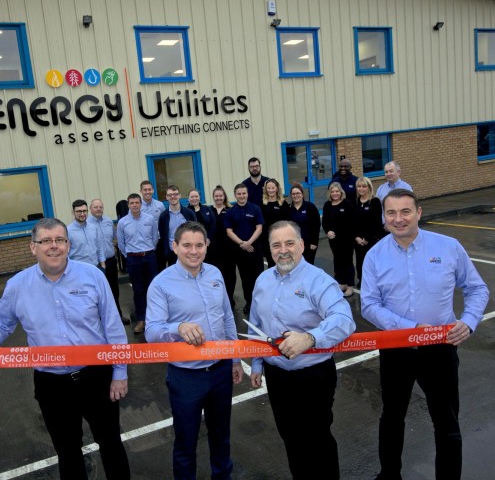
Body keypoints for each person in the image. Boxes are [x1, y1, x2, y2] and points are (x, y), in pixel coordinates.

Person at [0, 218, 130, 480]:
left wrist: (120, 373)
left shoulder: (93, 276)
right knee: (68, 452)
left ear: (68, 244)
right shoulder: (18, 286)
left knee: (111, 443)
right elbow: (0, 322)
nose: (53, 246)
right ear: (33, 247)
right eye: (45, 241)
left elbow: (113, 328)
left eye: (59, 240)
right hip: (52, 384)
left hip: (97, 377)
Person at [361, 189, 489, 480]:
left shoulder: (448, 247)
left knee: (446, 422)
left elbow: (477, 288)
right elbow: (368, 304)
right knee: (392, 417)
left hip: (440, 350)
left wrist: (468, 321)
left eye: (405, 211)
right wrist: (409, 331)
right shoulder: (374, 256)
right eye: (391, 213)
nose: (399, 219)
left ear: (419, 212)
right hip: (396, 349)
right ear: (384, 217)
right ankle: (389, 474)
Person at [249, 220, 356, 479]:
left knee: (317, 440)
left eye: (289, 243)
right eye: (276, 245)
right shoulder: (263, 280)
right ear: (270, 249)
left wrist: (310, 337)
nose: (283, 250)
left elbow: (344, 319)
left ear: (300, 244)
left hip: (313, 376)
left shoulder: (318, 280)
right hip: (277, 376)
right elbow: (255, 325)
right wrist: (257, 363)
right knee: (291, 438)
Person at [146, 221, 244, 480]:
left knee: (221, 436)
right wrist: (178, 327)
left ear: (207, 246)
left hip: (221, 370)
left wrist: (235, 359)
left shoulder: (215, 274)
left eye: (199, 245)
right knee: (186, 442)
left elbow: (227, 317)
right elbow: (152, 332)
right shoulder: (160, 284)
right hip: (186, 376)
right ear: (174, 246)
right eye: (187, 245)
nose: (193, 251)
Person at [117, 193, 159, 334]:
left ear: (141, 204)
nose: (134, 205)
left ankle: (154, 319)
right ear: (128, 205)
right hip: (133, 260)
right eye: (132, 203)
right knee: (138, 290)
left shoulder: (150, 219)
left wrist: (148, 251)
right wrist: (130, 256)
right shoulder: (122, 222)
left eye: (137, 202)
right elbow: (121, 244)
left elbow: (155, 237)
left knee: (152, 289)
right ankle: (141, 319)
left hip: (149, 257)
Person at [89, 198, 130, 325]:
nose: (98, 209)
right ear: (91, 209)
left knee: (114, 290)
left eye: (100, 206)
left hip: (111, 261)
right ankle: (101, 320)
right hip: (97, 264)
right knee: (99, 293)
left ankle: (118, 316)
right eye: (95, 207)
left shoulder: (108, 221)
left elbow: (113, 238)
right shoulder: (88, 224)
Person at [225, 184, 264, 315]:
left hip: (255, 250)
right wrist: (242, 243)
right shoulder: (231, 211)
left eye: (244, 193)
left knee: (258, 278)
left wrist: (249, 242)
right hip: (240, 251)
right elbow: (229, 231)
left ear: (247, 194)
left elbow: (259, 228)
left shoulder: (255, 209)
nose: (241, 196)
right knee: (245, 279)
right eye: (239, 194)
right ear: (235, 195)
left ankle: (260, 304)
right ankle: (249, 303)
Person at [322, 182, 356, 297]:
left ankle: (350, 285)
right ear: (330, 193)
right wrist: (328, 232)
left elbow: (352, 222)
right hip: (333, 240)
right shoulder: (327, 205)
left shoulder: (347, 204)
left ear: (341, 192)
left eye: (337, 191)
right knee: (337, 260)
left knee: (347, 261)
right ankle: (341, 283)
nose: (335, 193)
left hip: (346, 239)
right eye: (332, 191)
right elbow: (325, 222)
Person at [206, 185, 236, 310]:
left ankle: (229, 300)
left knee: (229, 276)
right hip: (212, 250)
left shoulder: (231, 209)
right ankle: (216, 301)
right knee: (213, 276)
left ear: (224, 196)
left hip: (228, 249)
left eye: (220, 195)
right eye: (216, 196)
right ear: (213, 197)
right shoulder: (207, 210)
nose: (218, 198)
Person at [352, 177, 383, 288]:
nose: (361, 189)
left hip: (371, 240)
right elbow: (353, 222)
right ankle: (361, 280)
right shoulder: (355, 202)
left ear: (369, 187)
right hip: (358, 240)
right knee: (360, 262)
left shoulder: (375, 202)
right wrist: (356, 237)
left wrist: (367, 239)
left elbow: (376, 223)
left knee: (371, 263)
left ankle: (373, 284)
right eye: (359, 186)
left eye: (364, 186)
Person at [158, 185, 197, 266]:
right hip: (172, 254)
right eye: (170, 195)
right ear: (166, 197)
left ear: (180, 195)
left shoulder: (189, 213)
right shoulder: (163, 216)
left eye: (175, 194)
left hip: (188, 252)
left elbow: (195, 231)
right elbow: (162, 237)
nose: (173, 197)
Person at [260, 178, 290, 269]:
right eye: (268, 188)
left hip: (281, 238)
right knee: (271, 263)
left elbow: (287, 222)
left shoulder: (283, 203)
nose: (270, 190)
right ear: (266, 189)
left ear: (277, 189)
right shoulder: (262, 204)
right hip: (267, 239)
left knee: (283, 262)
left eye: (273, 188)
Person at [287, 182, 321, 265]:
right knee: (294, 265)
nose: (296, 195)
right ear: (291, 195)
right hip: (293, 243)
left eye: (298, 193)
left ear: (302, 194)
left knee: (308, 265)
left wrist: (314, 242)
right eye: (293, 194)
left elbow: (316, 225)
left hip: (309, 244)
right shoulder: (288, 208)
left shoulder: (310, 207)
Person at [67, 200, 105, 268]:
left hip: (96, 267)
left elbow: (99, 247)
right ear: (73, 212)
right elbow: (65, 254)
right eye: (79, 211)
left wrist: (103, 265)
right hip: (78, 270)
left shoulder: (93, 227)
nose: (82, 214)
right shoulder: (68, 231)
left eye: (84, 211)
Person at [140, 180, 166, 270]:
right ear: (141, 191)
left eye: (149, 189)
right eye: (145, 190)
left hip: (159, 241)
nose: (147, 192)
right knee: (148, 269)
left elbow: (164, 222)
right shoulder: (137, 207)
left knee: (161, 266)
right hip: (144, 243)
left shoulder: (160, 205)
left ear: (153, 190)